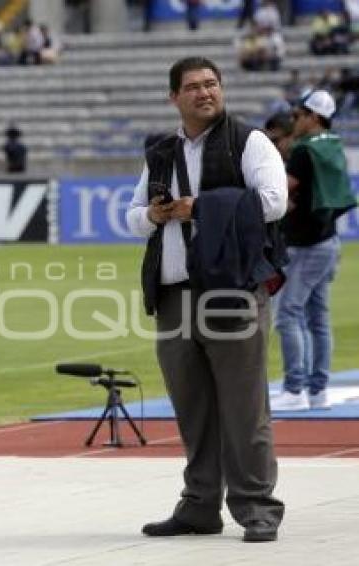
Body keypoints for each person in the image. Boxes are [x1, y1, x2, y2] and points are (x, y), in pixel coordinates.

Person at [126, 57, 287, 543]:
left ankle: (257, 506)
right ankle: (199, 505)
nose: (205, 93)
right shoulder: (160, 152)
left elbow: (275, 201)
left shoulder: (249, 140)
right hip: (174, 295)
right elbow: (133, 217)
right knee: (192, 409)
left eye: (212, 84)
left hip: (232, 293)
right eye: (193, 87)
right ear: (173, 96)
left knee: (244, 408)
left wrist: (203, 206)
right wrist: (156, 216)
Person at [271, 91, 356, 411]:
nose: (294, 120)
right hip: (327, 241)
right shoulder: (331, 144)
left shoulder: (304, 151)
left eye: (298, 114)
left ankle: (295, 389)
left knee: (288, 315)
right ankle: (317, 389)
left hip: (306, 245)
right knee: (318, 318)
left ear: (313, 117)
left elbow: (283, 189)